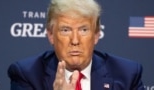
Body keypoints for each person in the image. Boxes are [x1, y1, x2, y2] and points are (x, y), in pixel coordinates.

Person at [8, 0, 145, 90]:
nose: (75, 40)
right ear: (51, 35)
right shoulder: (28, 75)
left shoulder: (127, 75)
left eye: (83, 30)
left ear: (96, 35)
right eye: (65, 30)